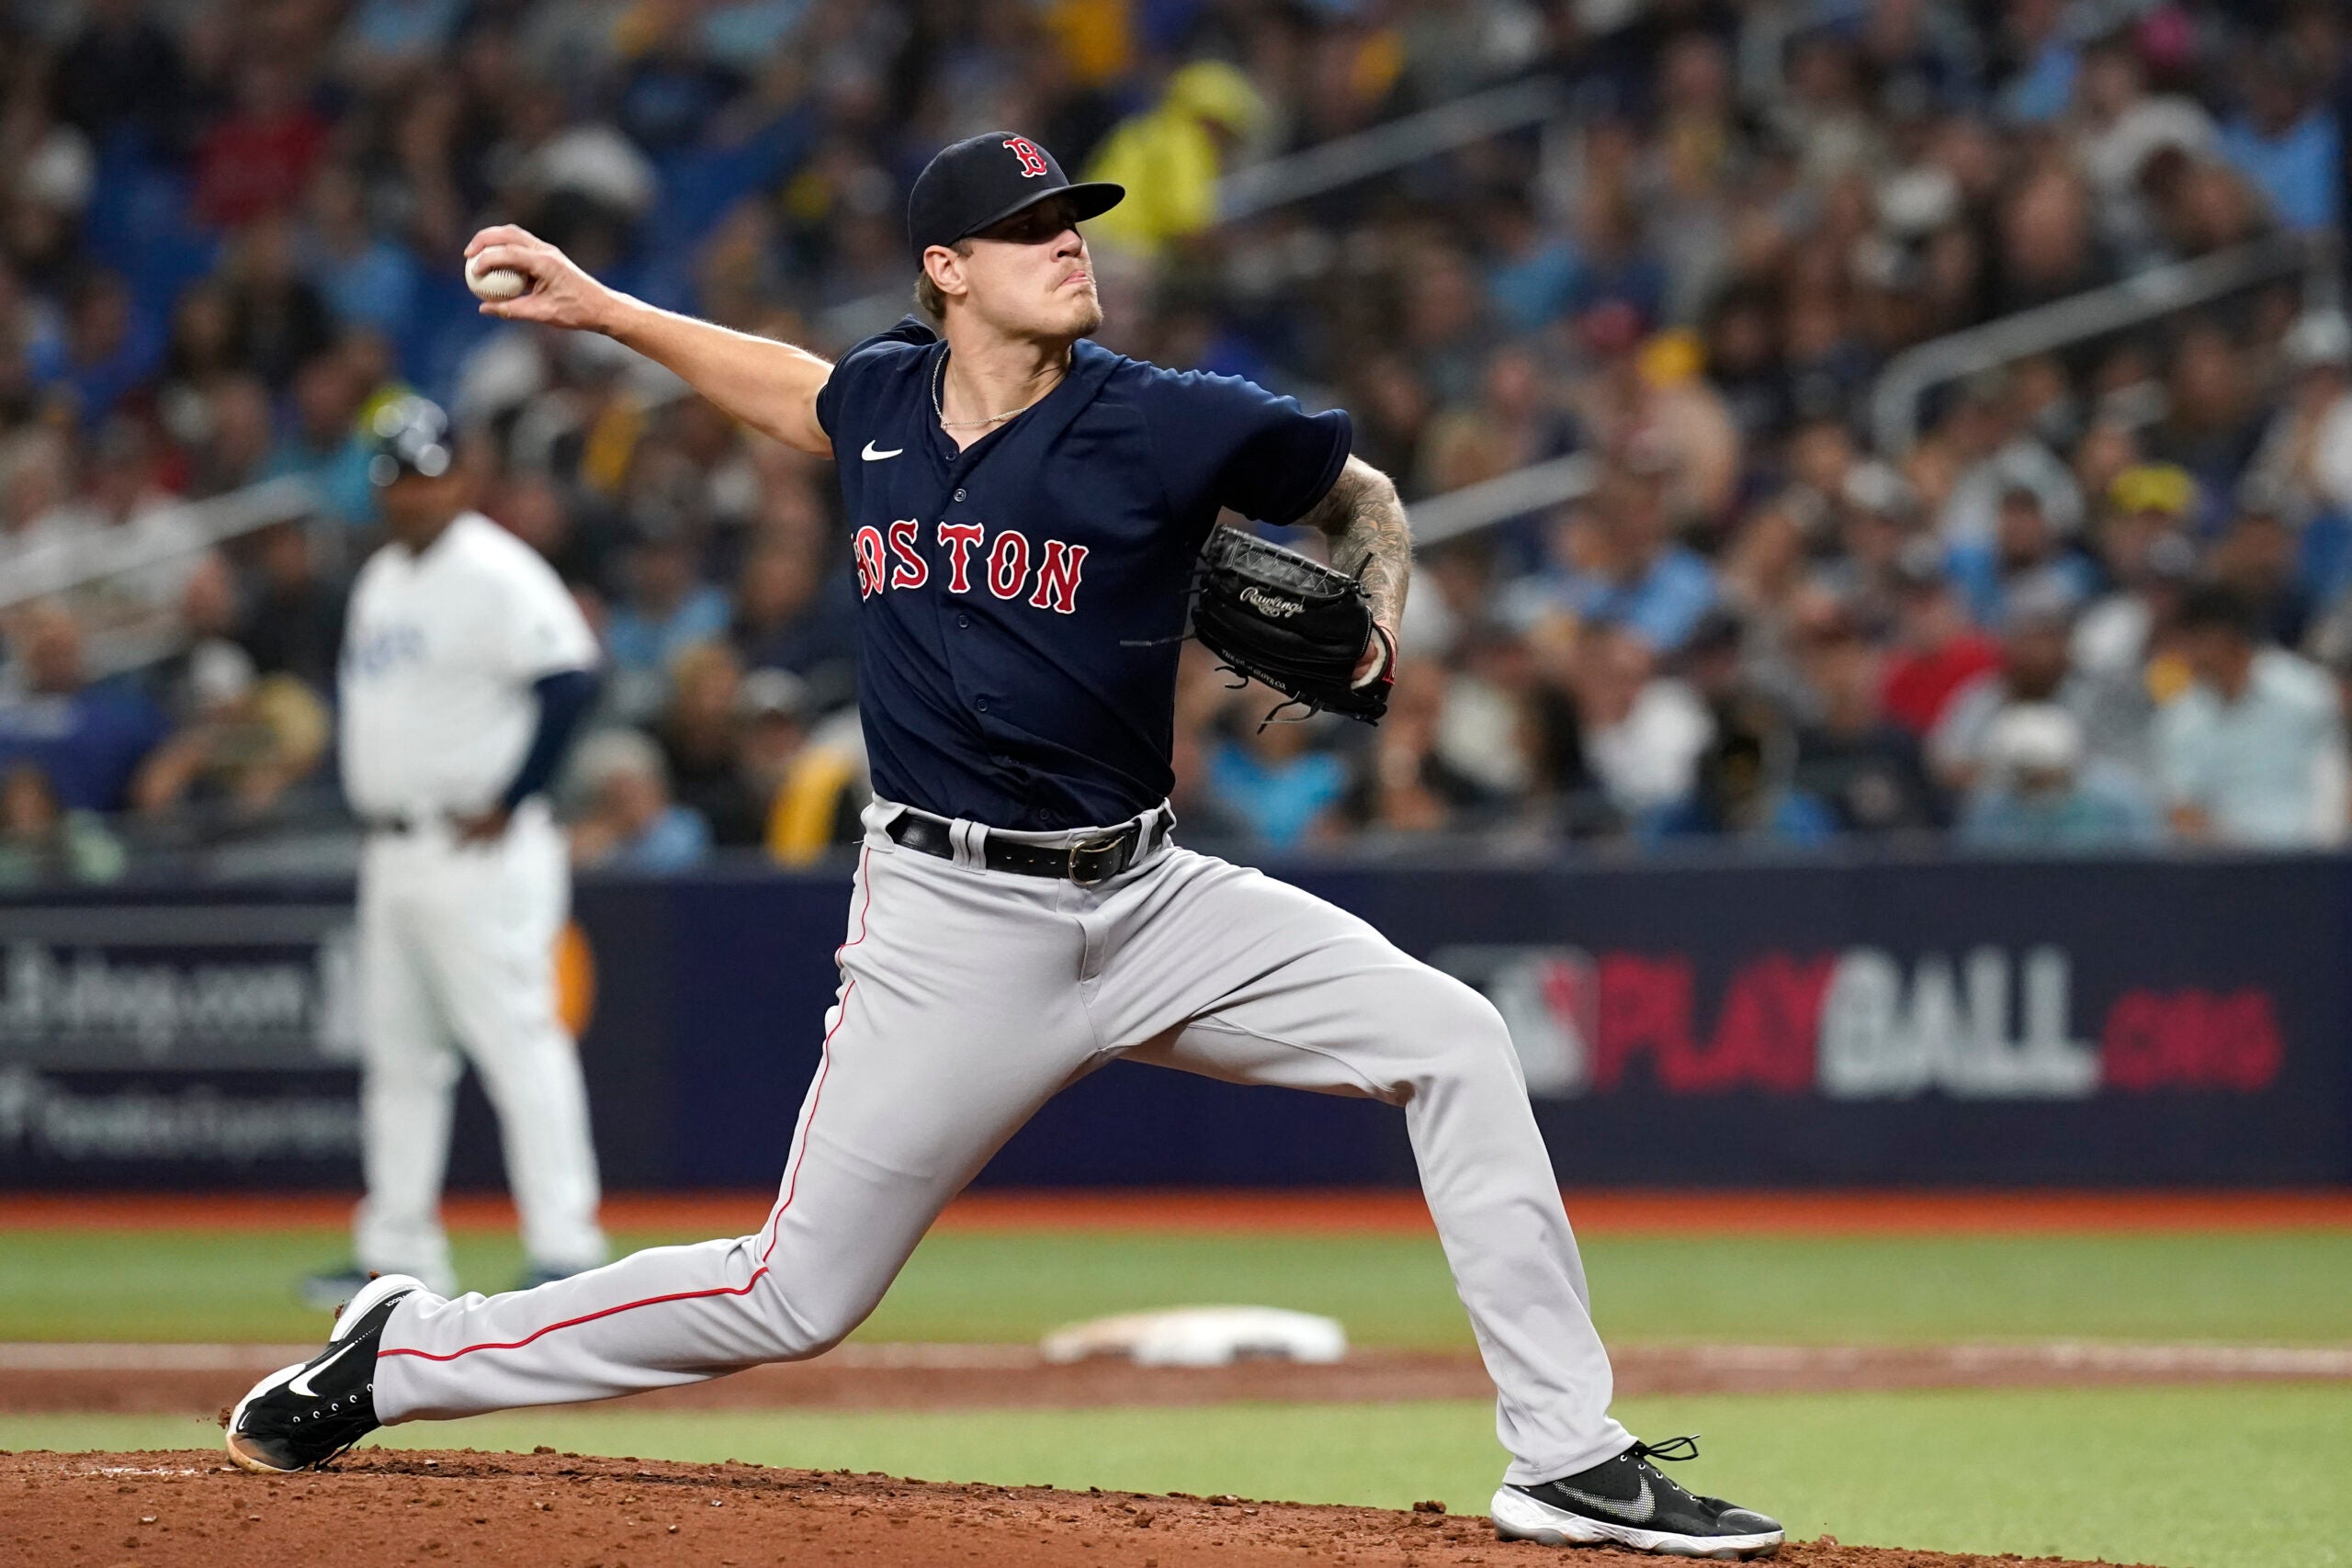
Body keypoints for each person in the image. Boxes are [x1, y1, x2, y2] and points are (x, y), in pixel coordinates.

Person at [226, 130, 1783, 1559]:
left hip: (1153, 892)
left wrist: (1371, 624)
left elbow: (1359, 487)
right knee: (794, 1294)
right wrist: (603, 307)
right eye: (1029, 226)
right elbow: (786, 385)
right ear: (947, 271)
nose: (1070, 244)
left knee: (1455, 1037)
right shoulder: (886, 403)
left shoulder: (1169, 421)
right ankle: (409, 1347)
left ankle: (1566, 1454)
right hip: (950, 919)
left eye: (1076, 221)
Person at [300, 396, 608, 1309]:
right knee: (399, 1059)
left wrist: (513, 797)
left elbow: (569, 681)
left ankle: (567, 1246)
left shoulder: (496, 570)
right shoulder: (381, 579)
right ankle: (396, 1255)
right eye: (398, 477)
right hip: (392, 849)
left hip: (481, 850)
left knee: (519, 1040)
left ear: (461, 478)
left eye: (429, 475)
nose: (413, 493)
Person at [2155, 585, 2348, 847]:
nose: (2181, 656)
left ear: (2220, 638)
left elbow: (2336, 776)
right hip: (2225, 867)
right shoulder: (2179, 719)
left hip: (2313, 856)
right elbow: (2182, 808)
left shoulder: (2307, 693)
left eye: (2188, 642)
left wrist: (2321, 852)